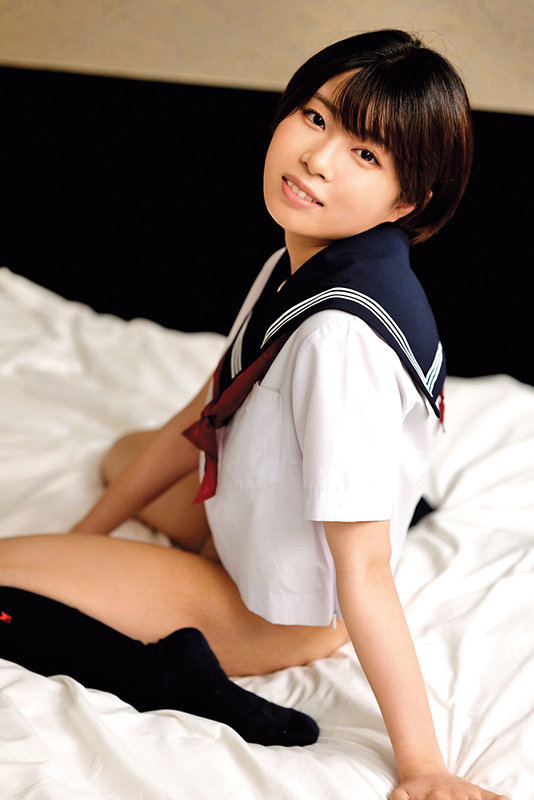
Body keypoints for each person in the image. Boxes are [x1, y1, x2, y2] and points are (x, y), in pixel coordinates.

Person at [0, 29, 507, 799]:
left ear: (407, 201)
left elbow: (365, 569)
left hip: (273, 610)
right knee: (121, 456)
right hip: (243, 519)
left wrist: (423, 768)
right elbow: (207, 408)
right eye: (316, 117)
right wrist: (87, 539)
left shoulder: (341, 338)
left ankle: (166, 674)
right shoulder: (301, 258)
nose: (318, 158)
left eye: (365, 154)